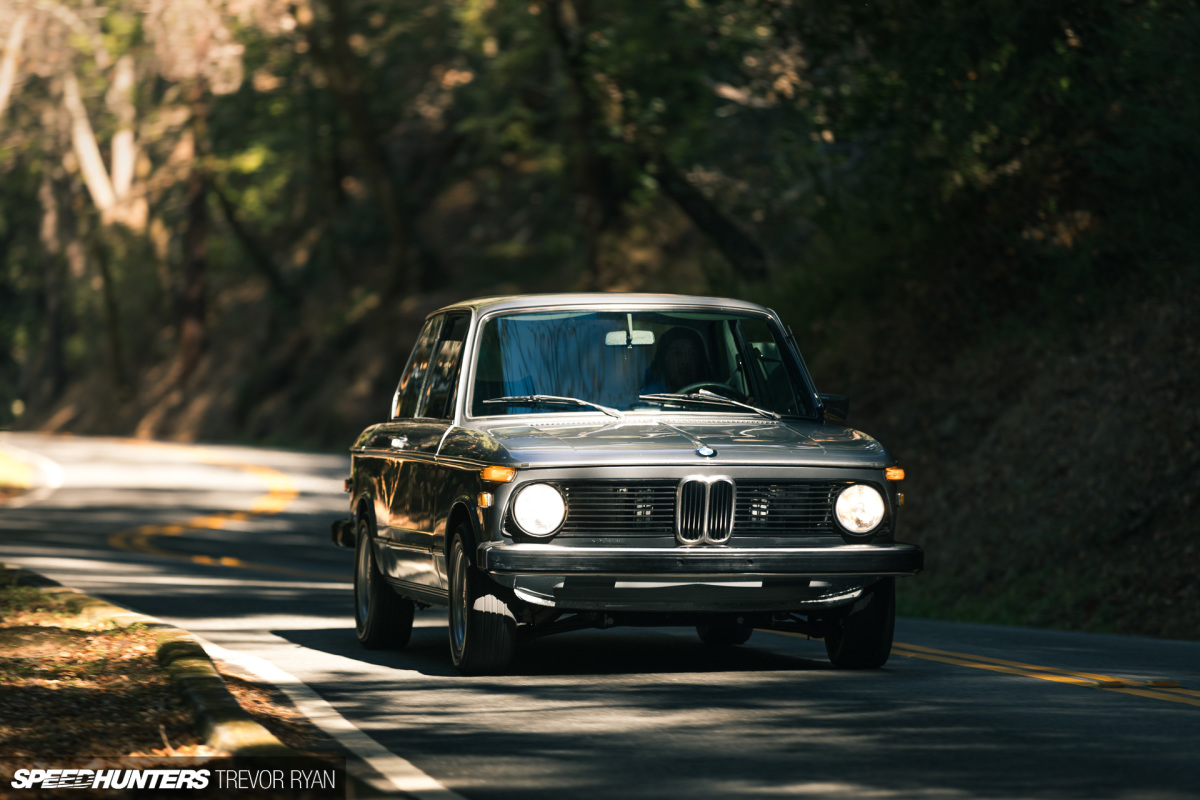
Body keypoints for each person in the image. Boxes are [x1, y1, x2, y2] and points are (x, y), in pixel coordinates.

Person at [646, 326, 710, 393]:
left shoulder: (714, 395)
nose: (685, 361)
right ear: (664, 360)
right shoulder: (649, 397)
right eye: (677, 353)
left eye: (692, 354)